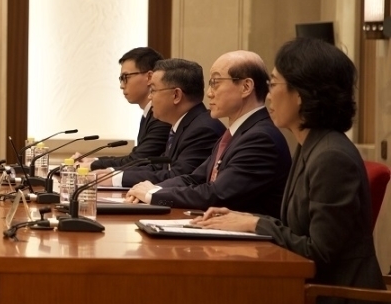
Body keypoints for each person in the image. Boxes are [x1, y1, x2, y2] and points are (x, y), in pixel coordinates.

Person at [194, 38, 391, 304]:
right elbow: (297, 229)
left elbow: (318, 252)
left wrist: (255, 225)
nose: (268, 95)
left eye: (274, 84)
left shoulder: (331, 156)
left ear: (302, 94)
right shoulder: (311, 145)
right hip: (309, 301)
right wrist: (246, 219)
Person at [125, 51, 291, 218]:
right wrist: (153, 189)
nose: (209, 93)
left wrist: (153, 194)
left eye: (215, 83)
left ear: (246, 87)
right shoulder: (236, 133)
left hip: (246, 234)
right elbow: (194, 178)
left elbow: (216, 194)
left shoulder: (261, 138)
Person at [93, 58, 225, 187]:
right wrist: (113, 174)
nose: (149, 97)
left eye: (153, 90)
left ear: (176, 95)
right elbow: (159, 167)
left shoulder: (203, 130)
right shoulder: (185, 124)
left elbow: (178, 176)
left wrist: (116, 179)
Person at [88, 47, 171, 169]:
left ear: (149, 77)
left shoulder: (161, 117)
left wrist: (93, 164)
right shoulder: (148, 114)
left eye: (125, 77)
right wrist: (93, 161)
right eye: (121, 79)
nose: (122, 86)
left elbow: (139, 160)